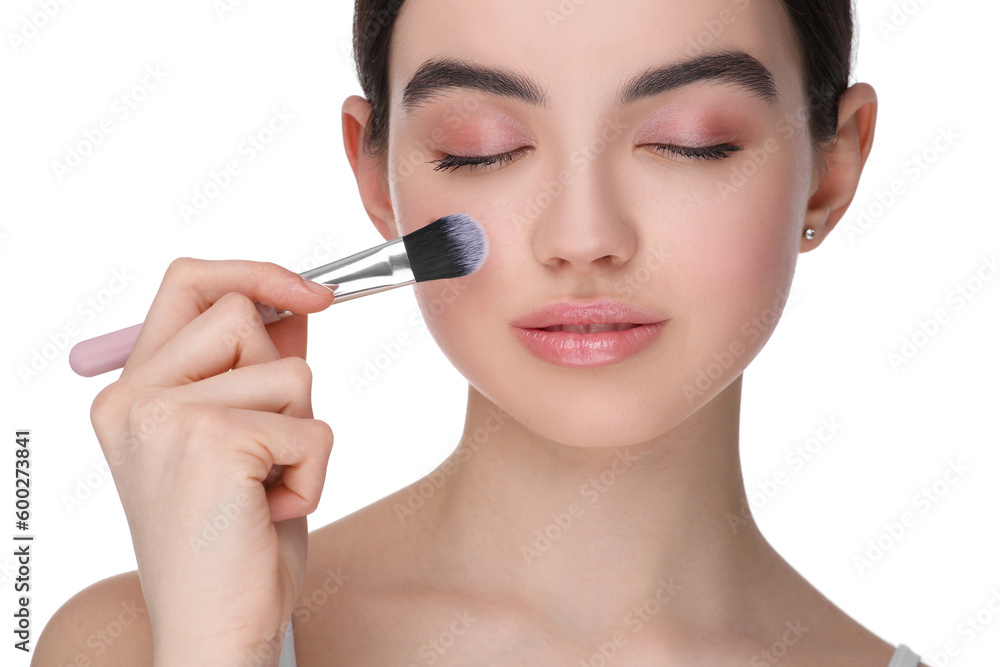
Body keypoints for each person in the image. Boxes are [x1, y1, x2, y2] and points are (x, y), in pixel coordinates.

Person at [34, 0, 926, 665]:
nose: (581, 237)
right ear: (379, 180)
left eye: (691, 142)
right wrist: (222, 648)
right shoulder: (131, 646)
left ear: (832, 167)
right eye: (480, 147)